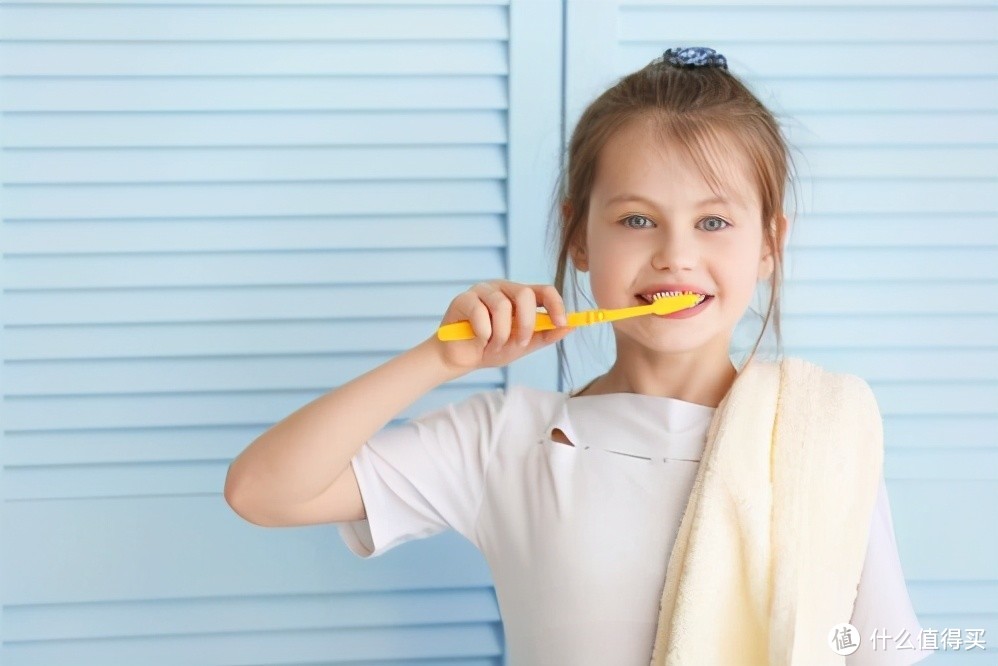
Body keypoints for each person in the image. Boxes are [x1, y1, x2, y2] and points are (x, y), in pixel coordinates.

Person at [225, 47, 931, 665]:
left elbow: (881, 650)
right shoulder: (504, 441)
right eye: (636, 219)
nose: (676, 255)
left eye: (713, 221)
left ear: (771, 243)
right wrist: (437, 360)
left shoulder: (820, 433)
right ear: (580, 238)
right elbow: (261, 492)